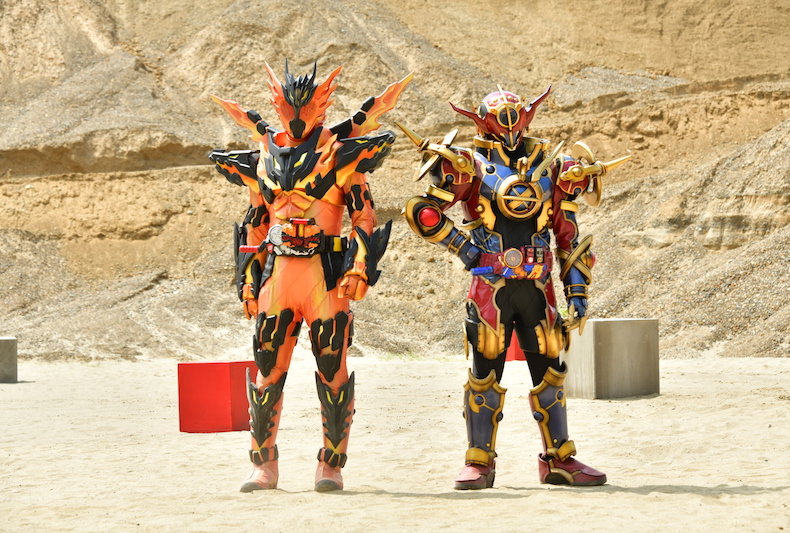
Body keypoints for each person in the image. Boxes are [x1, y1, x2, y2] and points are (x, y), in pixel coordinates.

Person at [398, 85, 629, 489]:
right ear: (483, 121)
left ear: (526, 116)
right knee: (485, 373)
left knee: (551, 373)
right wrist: (466, 249)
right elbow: (422, 211)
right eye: (500, 118)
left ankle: (559, 459)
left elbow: (568, 236)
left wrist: (576, 292)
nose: (508, 125)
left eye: (514, 116)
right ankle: (479, 462)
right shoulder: (468, 164)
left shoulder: (555, 169)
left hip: (539, 288)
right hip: (491, 287)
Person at [209, 60, 411, 492]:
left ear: (321, 108)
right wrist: (247, 281)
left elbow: (363, 215)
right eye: (289, 109)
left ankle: (330, 466)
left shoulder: (342, 154)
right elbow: (255, 223)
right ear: (278, 107)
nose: (297, 118)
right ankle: (263, 465)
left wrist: (359, 265)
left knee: (333, 371)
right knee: (267, 372)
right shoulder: (263, 157)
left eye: (306, 109)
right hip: (277, 276)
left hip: (326, 276)